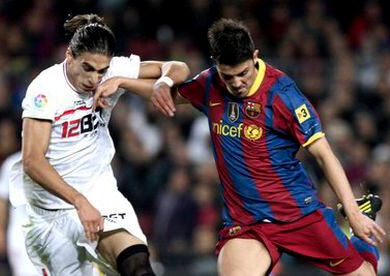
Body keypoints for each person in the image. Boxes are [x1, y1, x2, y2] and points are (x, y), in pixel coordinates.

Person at [95, 18, 386, 275]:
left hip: (297, 214)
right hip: (246, 223)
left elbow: (324, 155)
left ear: (255, 57)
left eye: (243, 73)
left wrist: (352, 209)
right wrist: (122, 82)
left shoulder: (283, 93)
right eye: (228, 75)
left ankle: (361, 220)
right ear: (216, 66)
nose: (236, 83)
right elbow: (172, 94)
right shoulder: (210, 84)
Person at [9, 14, 190, 276]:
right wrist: (79, 202)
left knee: (138, 266)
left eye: (102, 71)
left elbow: (178, 68)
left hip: (99, 193)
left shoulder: (113, 71)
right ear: (69, 55)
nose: (94, 79)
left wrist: (134, 81)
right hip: (50, 211)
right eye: (87, 68)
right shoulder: (45, 90)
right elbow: (32, 161)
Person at [0, 151, 38, 276]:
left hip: (58, 232)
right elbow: (0, 196)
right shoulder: (13, 162)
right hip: (24, 236)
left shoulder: (62, 155)